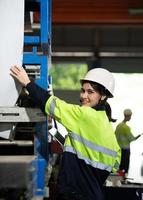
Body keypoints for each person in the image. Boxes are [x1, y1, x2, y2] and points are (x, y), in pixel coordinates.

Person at [10, 66, 121, 200]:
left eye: (90, 92)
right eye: (83, 91)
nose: (83, 96)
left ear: (103, 96)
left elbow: (51, 104)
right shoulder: (107, 127)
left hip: (76, 195)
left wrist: (27, 83)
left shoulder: (84, 115)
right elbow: (115, 165)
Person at [115, 108, 141, 174]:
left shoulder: (118, 126)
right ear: (129, 116)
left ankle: (119, 178)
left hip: (118, 149)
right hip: (125, 149)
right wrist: (138, 136)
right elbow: (132, 138)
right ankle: (123, 179)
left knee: (120, 165)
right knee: (125, 166)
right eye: (130, 116)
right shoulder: (126, 127)